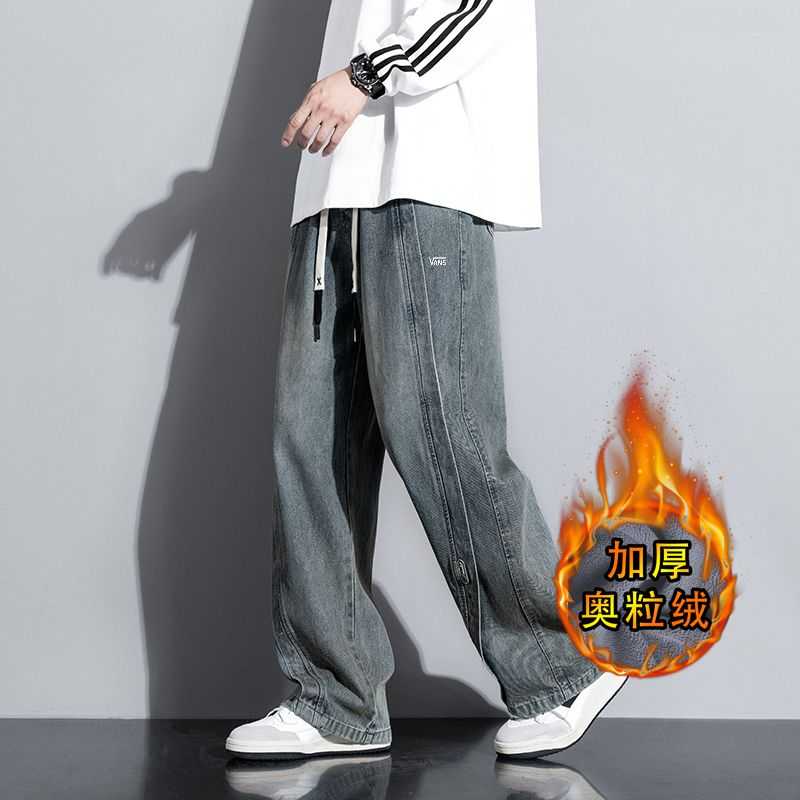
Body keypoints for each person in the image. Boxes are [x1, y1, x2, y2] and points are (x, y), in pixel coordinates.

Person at [226, 0, 626, 761]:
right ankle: (335, 700)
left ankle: (561, 669)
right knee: (312, 448)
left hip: (425, 175)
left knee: (442, 430)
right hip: (334, 187)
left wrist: (365, 74)